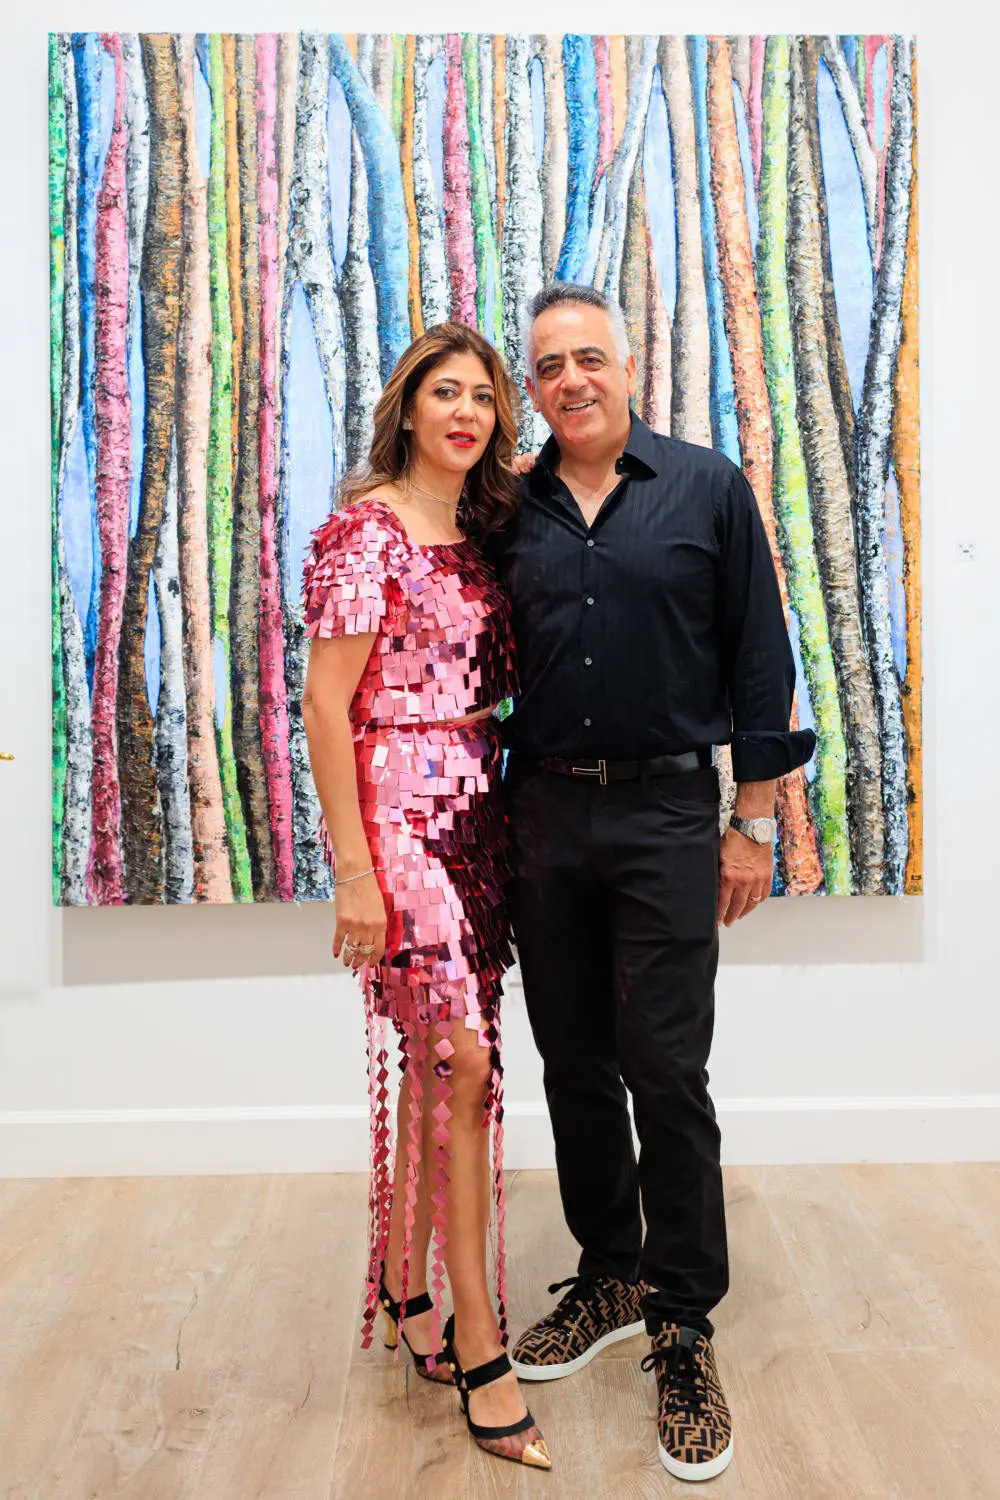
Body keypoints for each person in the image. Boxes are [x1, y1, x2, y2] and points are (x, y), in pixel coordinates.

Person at [487, 283, 815, 1483]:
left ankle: (681, 1321)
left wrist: (751, 824)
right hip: (541, 813)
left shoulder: (705, 488)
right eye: (547, 366)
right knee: (572, 1059)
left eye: (589, 358)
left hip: (670, 814)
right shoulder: (504, 508)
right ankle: (609, 1274)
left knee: (666, 1068)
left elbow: (759, 659)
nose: (570, 380)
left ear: (627, 368)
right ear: (532, 389)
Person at [302, 323, 550, 1470]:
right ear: (407, 407)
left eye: (484, 398)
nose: (466, 413)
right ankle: (480, 1339)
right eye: (445, 393)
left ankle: (406, 1287)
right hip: (396, 816)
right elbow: (324, 705)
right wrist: (355, 872)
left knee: (436, 1066)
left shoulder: (479, 527)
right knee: (466, 1064)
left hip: (476, 814)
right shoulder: (368, 530)